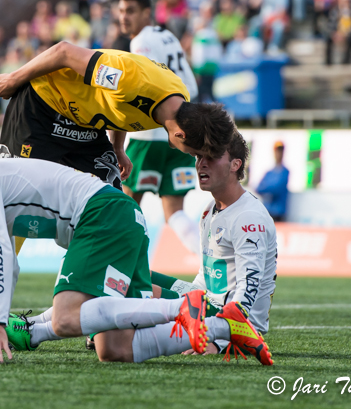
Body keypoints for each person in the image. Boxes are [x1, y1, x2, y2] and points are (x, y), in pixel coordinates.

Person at [0, 136, 271, 365]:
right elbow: (7, 260)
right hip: (115, 218)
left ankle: (184, 308)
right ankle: (203, 325)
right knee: (114, 349)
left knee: (66, 317)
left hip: (103, 216)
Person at [0, 38, 237, 343]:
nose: (193, 159)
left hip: (86, 124)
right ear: (180, 134)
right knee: (16, 215)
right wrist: (15, 77)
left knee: (117, 214)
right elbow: (64, 52)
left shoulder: (175, 105)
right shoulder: (129, 79)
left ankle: (105, 317)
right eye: (194, 152)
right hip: (40, 109)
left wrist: (118, 147)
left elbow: (121, 108)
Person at [90, 130, 276, 362]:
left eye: (211, 158)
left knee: (130, 286)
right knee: (125, 273)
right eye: (199, 157)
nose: (201, 165)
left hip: (231, 319)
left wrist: (218, 340)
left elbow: (249, 290)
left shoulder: (249, 217)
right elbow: (205, 278)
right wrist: (186, 297)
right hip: (208, 302)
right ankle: (99, 326)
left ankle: (88, 328)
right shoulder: (210, 209)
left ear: (235, 165)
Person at [118, 0, 201, 255]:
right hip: (182, 133)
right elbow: (191, 85)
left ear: (146, 13)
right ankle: (213, 266)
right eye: (121, 11)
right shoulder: (167, 36)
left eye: (130, 11)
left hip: (150, 137)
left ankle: (125, 267)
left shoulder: (141, 42)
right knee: (174, 211)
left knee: (126, 206)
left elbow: (142, 88)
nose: (124, 17)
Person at [256, 141, 290, 222]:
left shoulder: (285, 172)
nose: (279, 153)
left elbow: (278, 188)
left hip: (278, 214)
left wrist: (267, 188)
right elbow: (258, 188)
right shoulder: (269, 173)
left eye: (280, 151)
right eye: (277, 151)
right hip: (267, 212)